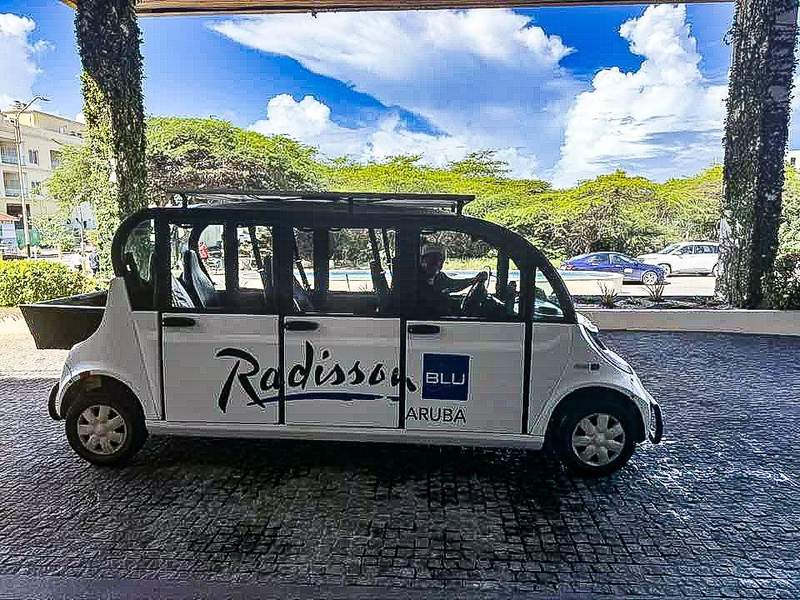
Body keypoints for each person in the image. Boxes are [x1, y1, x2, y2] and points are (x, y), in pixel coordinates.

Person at [418, 244, 488, 316]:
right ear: (422, 260)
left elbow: (453, 283)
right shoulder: (417, 278)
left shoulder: (440, 276)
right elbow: (453, 286)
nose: (437, 263)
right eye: (433, 260)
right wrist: (474, 280)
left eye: (440, 260)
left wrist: (474, 280)